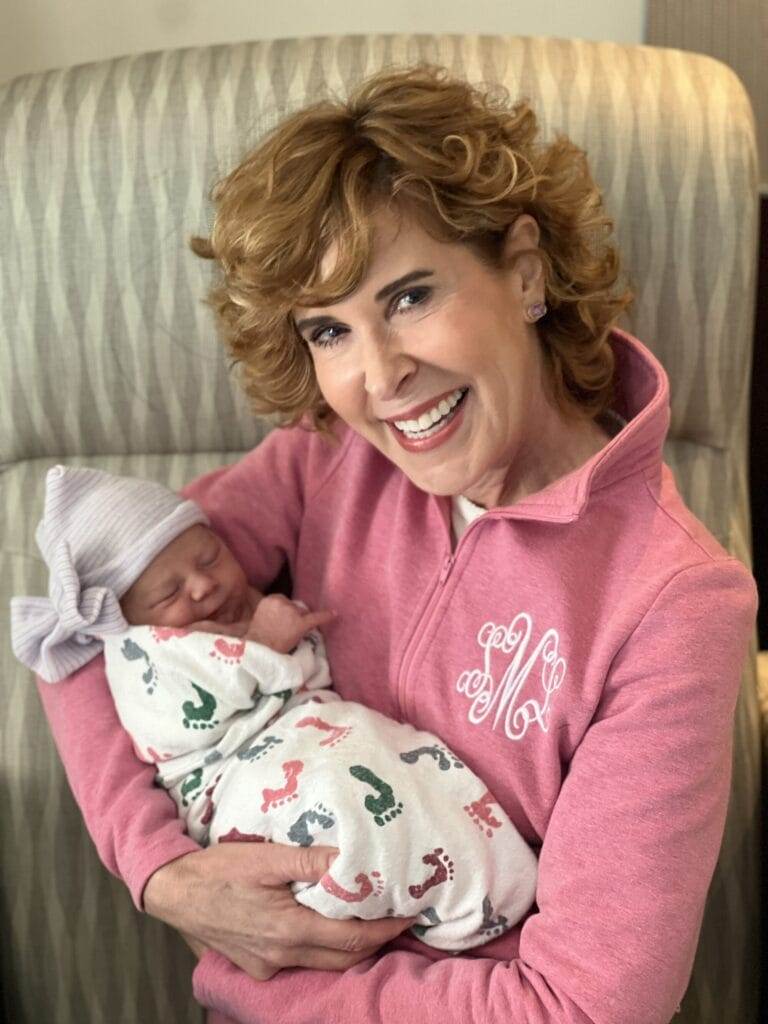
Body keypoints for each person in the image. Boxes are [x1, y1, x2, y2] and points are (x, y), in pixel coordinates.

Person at [33, 63, 757, 1024]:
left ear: (526, 269)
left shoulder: (674, 602)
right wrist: (160, 870)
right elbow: (75, 622)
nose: (380, 377)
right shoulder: (323, 459)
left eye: (411, 296)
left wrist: (273, 978)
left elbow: (590, 1006)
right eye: (329, 330)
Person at [12, 465, 538, 952]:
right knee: (334, 791)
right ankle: (394, 897)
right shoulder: (142, 656)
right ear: (130, 623)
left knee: (398, 759)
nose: (203, 585)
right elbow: (136, 688)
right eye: (168, 592)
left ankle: (484, 889)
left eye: (211, 557)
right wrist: (262, 641)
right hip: (229, 780)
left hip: (317, 735)